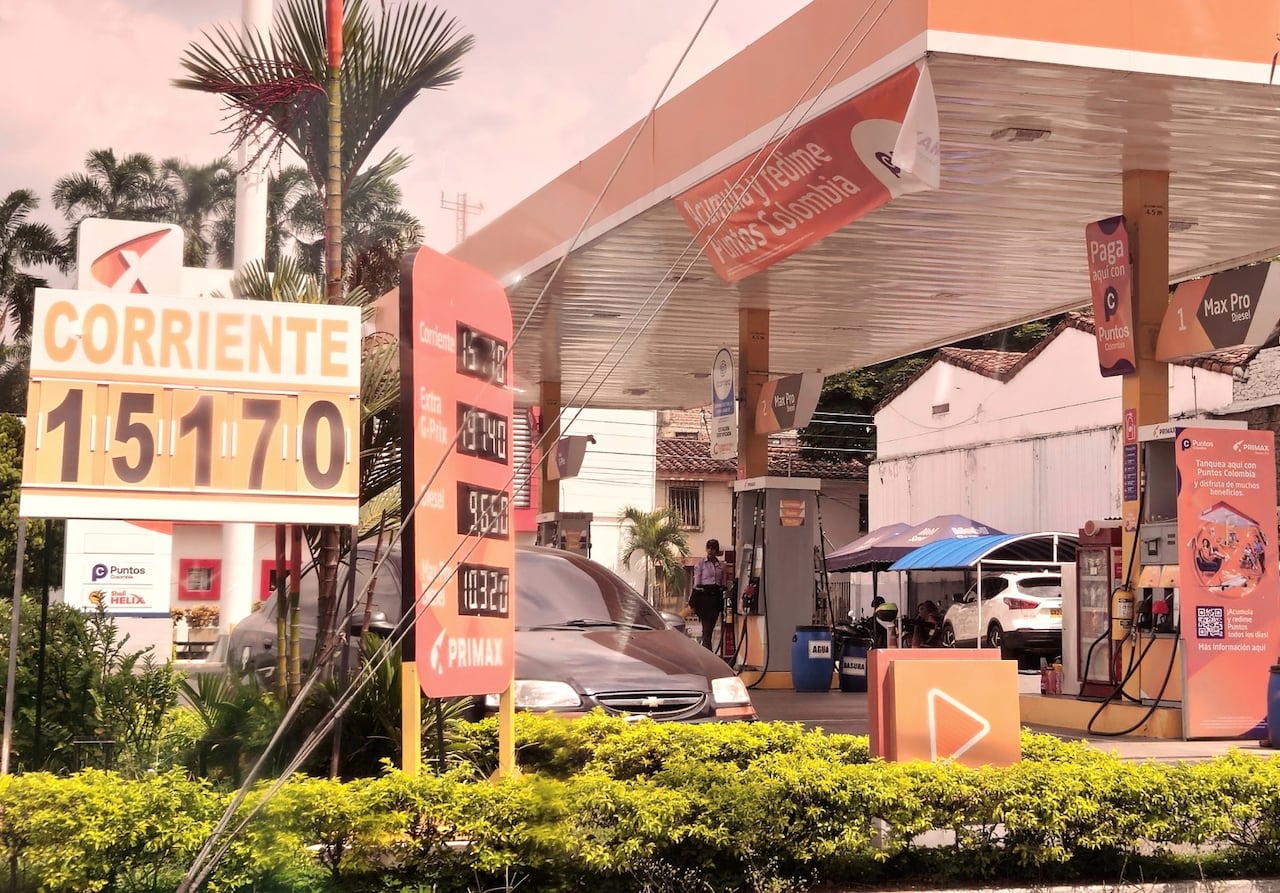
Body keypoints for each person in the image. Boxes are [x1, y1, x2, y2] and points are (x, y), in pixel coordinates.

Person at [690, 538, 726, 650]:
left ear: (717, 550)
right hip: (704, 597)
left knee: (710, 628)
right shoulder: (701, 564)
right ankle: (707, 651)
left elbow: (723, 583)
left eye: (713, 548)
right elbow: (697, 583)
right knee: (707, 629)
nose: (710, 550)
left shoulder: (721, 565)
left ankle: (706, 650)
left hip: (715, 597)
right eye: (709, 548)